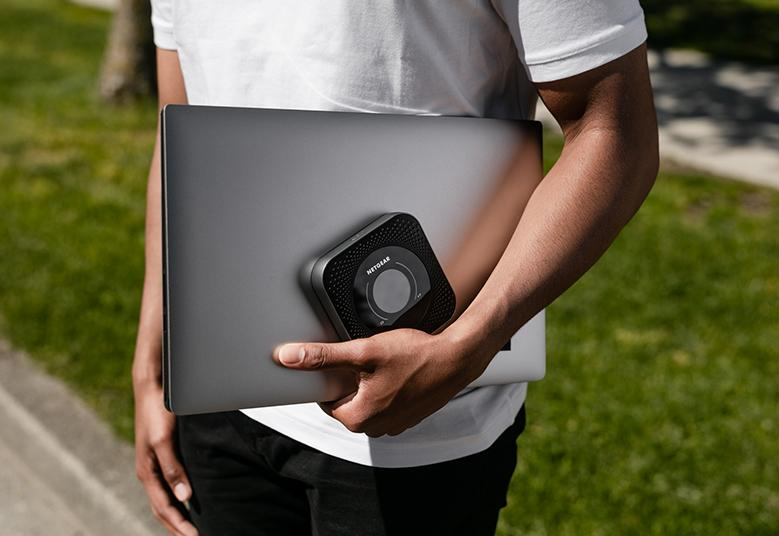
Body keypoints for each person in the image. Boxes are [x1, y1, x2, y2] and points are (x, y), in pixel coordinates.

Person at [132, 2, 659, 535]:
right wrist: (153, 361)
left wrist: (464, 348)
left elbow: (614, 129)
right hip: (222, 400)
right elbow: (177, 129)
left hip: (418, 427)